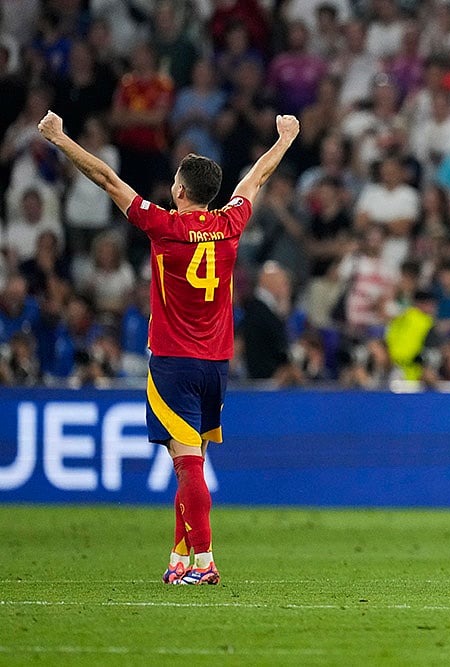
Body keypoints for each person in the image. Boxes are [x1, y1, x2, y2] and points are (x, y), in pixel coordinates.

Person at [38, 109, 300, 586]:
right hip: (217, 364)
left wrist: (59, 137)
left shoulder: (164, 226)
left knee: (187, 465)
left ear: (180, 191)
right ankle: (180, 560)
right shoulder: (231, 223)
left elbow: (105, 177)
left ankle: (204, 562)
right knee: (192, 464)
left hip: (173, 362)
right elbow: (256, 178)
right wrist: (284, 140)